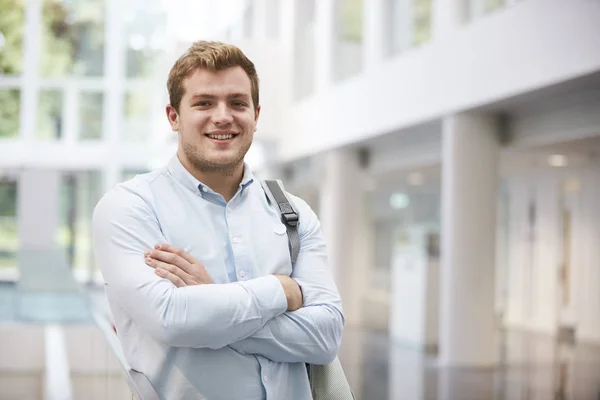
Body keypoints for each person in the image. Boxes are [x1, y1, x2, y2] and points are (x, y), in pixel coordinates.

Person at [92, 40, 344, 400]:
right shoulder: (130, 207)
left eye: (237, 103)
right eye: (204, 103)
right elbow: (171, 319)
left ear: (256, 115)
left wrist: (211, 304)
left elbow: (326, 336)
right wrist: (280, 289)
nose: (223, 116)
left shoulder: (293, 212)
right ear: (173, 117)